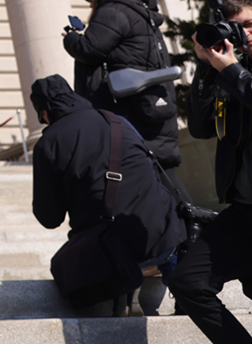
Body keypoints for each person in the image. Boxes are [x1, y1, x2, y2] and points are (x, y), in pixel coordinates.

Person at [30, 75, 184, 281]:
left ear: (45, 112)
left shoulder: (48, 143)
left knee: (67, 265)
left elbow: (49, 218)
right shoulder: (117, 121)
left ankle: (116, 303)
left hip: (111, 251)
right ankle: (181, 292)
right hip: (165, 239)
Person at [170, 0, 252, 344]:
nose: (243, 34)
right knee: (187, 282)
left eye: (250, 24)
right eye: (234, 29)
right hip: (245, 212)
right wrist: (207, 69)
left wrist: (232, 70)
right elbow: (201, 127)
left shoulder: (236, 73)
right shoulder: (230, 73)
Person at [62, 0, 189, 201]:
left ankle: (190, 226)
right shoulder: (142, 11)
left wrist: (71, 38)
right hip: (151, 100)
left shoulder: (113, 11)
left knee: (151, 177)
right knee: (160, 172)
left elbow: (90, 49)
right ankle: (188, 225)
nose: (91, 5)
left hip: (128, 104)